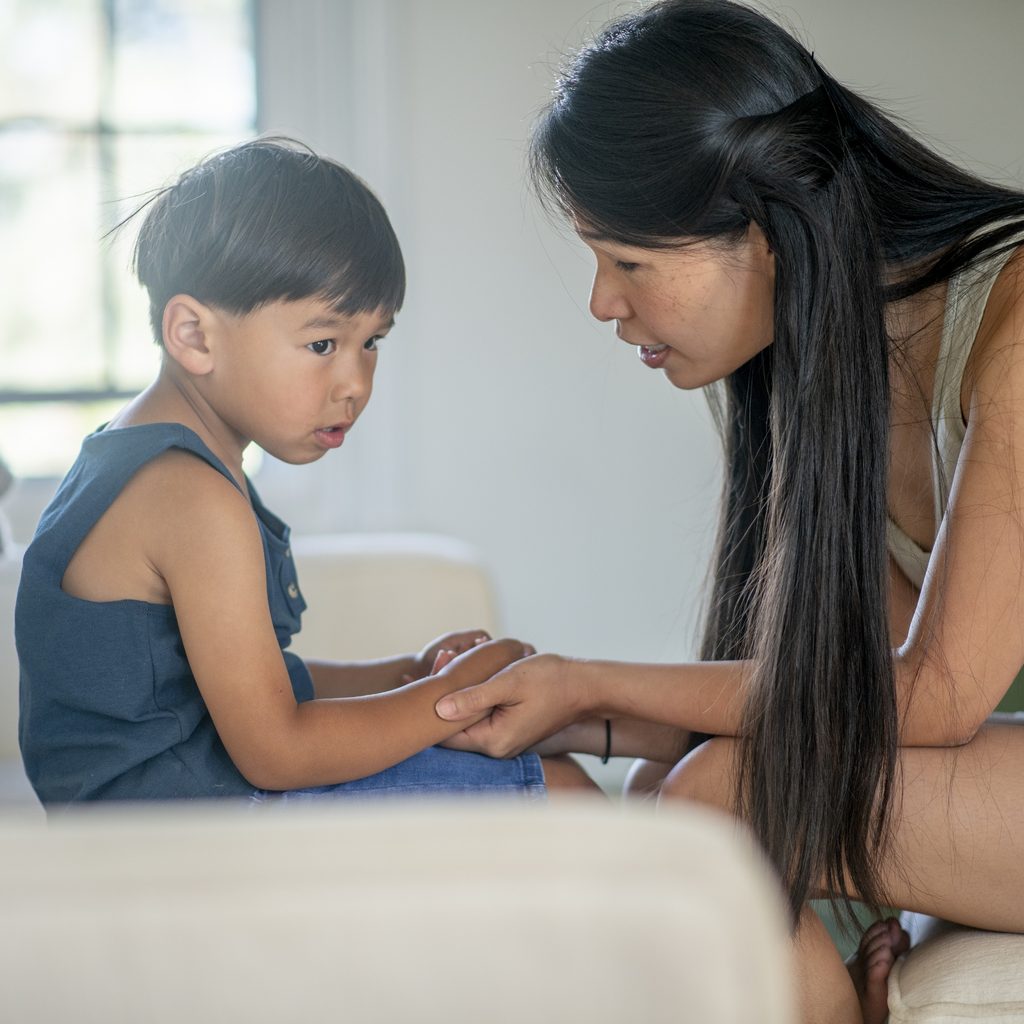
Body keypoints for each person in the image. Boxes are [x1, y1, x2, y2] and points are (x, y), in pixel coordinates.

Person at [431, 2, 1024, 1022]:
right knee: (680, 800)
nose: (601, 303)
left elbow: (934, 698)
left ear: (760, 232)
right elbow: (854, 705)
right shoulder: (830, 361)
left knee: (709, 800)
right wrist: (575, 715)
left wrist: (590, 679)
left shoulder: (1012, 320)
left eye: (627, 260)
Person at [16, 138, 594, 809]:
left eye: (371, 342)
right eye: (322, 344)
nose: (354, 382)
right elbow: (276, 748)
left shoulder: (139, 457)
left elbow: (249, 688)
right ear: (195, 336)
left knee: (537, 753)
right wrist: (448, 701)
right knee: (563, 789)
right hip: (177, 838)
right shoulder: (188, 494)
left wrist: (406, 673)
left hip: (182, 812)